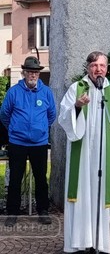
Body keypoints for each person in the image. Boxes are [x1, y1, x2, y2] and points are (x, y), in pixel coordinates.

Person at [59, 51, 110, 254]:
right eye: (94, 66)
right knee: (81, 196)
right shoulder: (76, 88)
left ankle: (98, 243)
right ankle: (77, 244)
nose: (98, 69)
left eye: (101, 66)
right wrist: (76, 106)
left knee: (100, 197)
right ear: (88, 68)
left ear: (107, 68)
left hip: (103, 157)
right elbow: (62, 117)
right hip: (81, 155)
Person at [0, 56, 56, 227]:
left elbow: (52, 115)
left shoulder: (46, 92)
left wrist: (40, 129)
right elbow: (4, 114)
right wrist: (15, 129)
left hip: (39, 143)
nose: (33, 75)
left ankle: (43, 210)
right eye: (30, 72)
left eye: (36, 72)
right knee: (15, 179)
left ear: (39, 74)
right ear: (24, 73)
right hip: (17, 142)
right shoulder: (13, 92)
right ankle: (12, 212)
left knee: (41, 179)